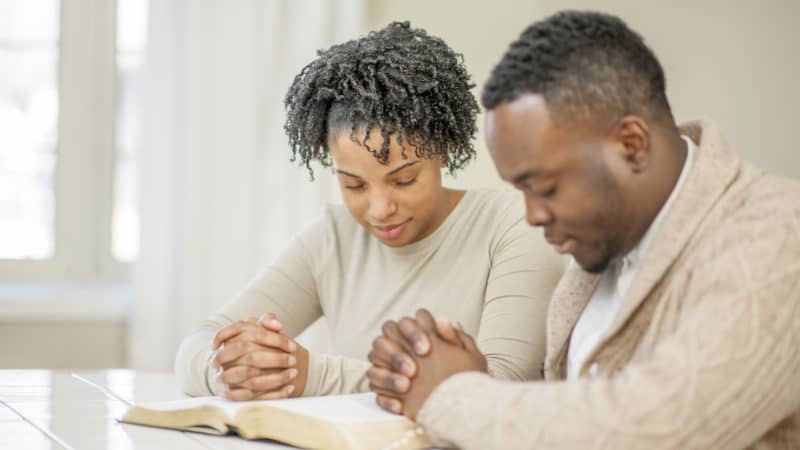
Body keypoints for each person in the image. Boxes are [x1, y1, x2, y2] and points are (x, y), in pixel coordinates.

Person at [367, 11, 800, 449]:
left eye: (547, 188)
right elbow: (578, 409)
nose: (533, 215)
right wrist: (461, 375)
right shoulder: (604, 247)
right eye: (521, 190)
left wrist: (453, 394)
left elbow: (649, 430)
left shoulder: (779, 236)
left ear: (631, 145)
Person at [174, 21, 564, 401]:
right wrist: (230, 366)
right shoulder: (333, 238)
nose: (380, 210)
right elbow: (197, 343)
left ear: (443, 148)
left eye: (403, 179)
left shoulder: (513, 226)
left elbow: (500, 388)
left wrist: (314, 375)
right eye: (353, 185)